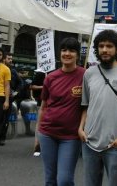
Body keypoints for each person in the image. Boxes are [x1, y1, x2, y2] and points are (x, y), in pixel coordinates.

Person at [78, 29, 117, 186]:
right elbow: (85, 105)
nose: (104, 50)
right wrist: (81, 129)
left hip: (115, 144)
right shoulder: (89, 73)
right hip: (90, 142)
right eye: (101, 46)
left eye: (109, 46)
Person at [36, 37, 85, 186]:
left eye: (71, 50)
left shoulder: (86, 75)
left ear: (77, 55)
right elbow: (43, 107)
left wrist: (81, 128)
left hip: (71, 137)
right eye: (64, 50)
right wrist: (37, 135)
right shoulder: (50, 78)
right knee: (50, 179)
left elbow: (87, 107)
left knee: (64, 180)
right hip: (47, 133)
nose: (67, 53)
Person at [0, 52, 23, 145]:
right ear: (4, 59)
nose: (11, 60)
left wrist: (15, 92)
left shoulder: (13, 71)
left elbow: (21, 83)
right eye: (9, 58)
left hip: (8, 98)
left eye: (11, 59)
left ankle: (2, 138)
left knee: (5, 119)